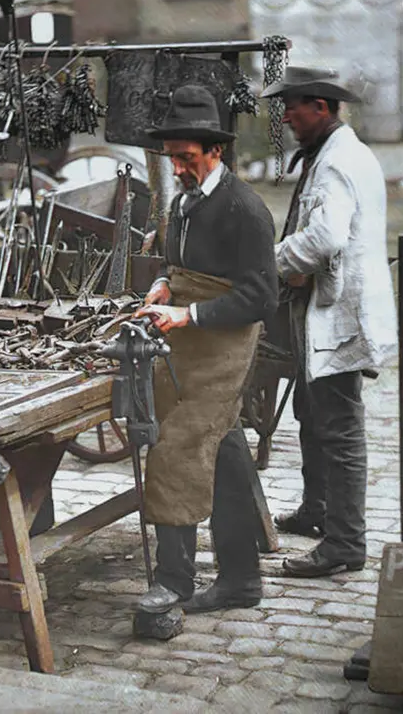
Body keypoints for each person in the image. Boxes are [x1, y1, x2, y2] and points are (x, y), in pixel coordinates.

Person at [134, 84, 278, 615]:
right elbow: (186, 268)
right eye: (172, 158)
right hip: (189, 345)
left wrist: (187, 314)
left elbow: (261, 297)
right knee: (225, 455)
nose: (177, 169)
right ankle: (241, 581)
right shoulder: (184, 201)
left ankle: (173, 581)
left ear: (214, 151)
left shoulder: (244, 208)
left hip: (224, 346)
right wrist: (167, 287)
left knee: (178, 447)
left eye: (187, 158)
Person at [260, 66, 397, 577]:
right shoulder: (333, 153)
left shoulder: (339, 161)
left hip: (338, 315)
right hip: (327, 309)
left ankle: (344, 545)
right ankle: (317, 511)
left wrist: (270, 264)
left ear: (320, 106)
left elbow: (325, 239)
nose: (288, 118)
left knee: (337, 428)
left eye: (293, 107)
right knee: (311, 413)